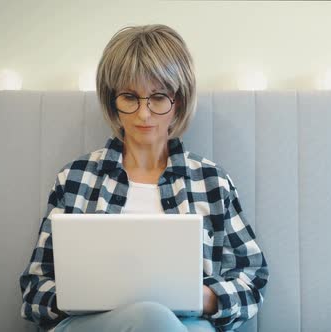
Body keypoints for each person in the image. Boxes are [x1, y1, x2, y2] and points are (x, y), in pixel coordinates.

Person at [18, 24, 269, 332]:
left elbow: (252, 277)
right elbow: (34, 289)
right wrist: (76, 295)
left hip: (188, 323)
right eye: (130, 97)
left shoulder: (212, 182)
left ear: (179, 101)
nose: (143, 114)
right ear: (113, 101)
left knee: (165, 321)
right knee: (147, 316)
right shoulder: (75, 178)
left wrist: (201, 297)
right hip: (91, 325)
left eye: (158, 97)